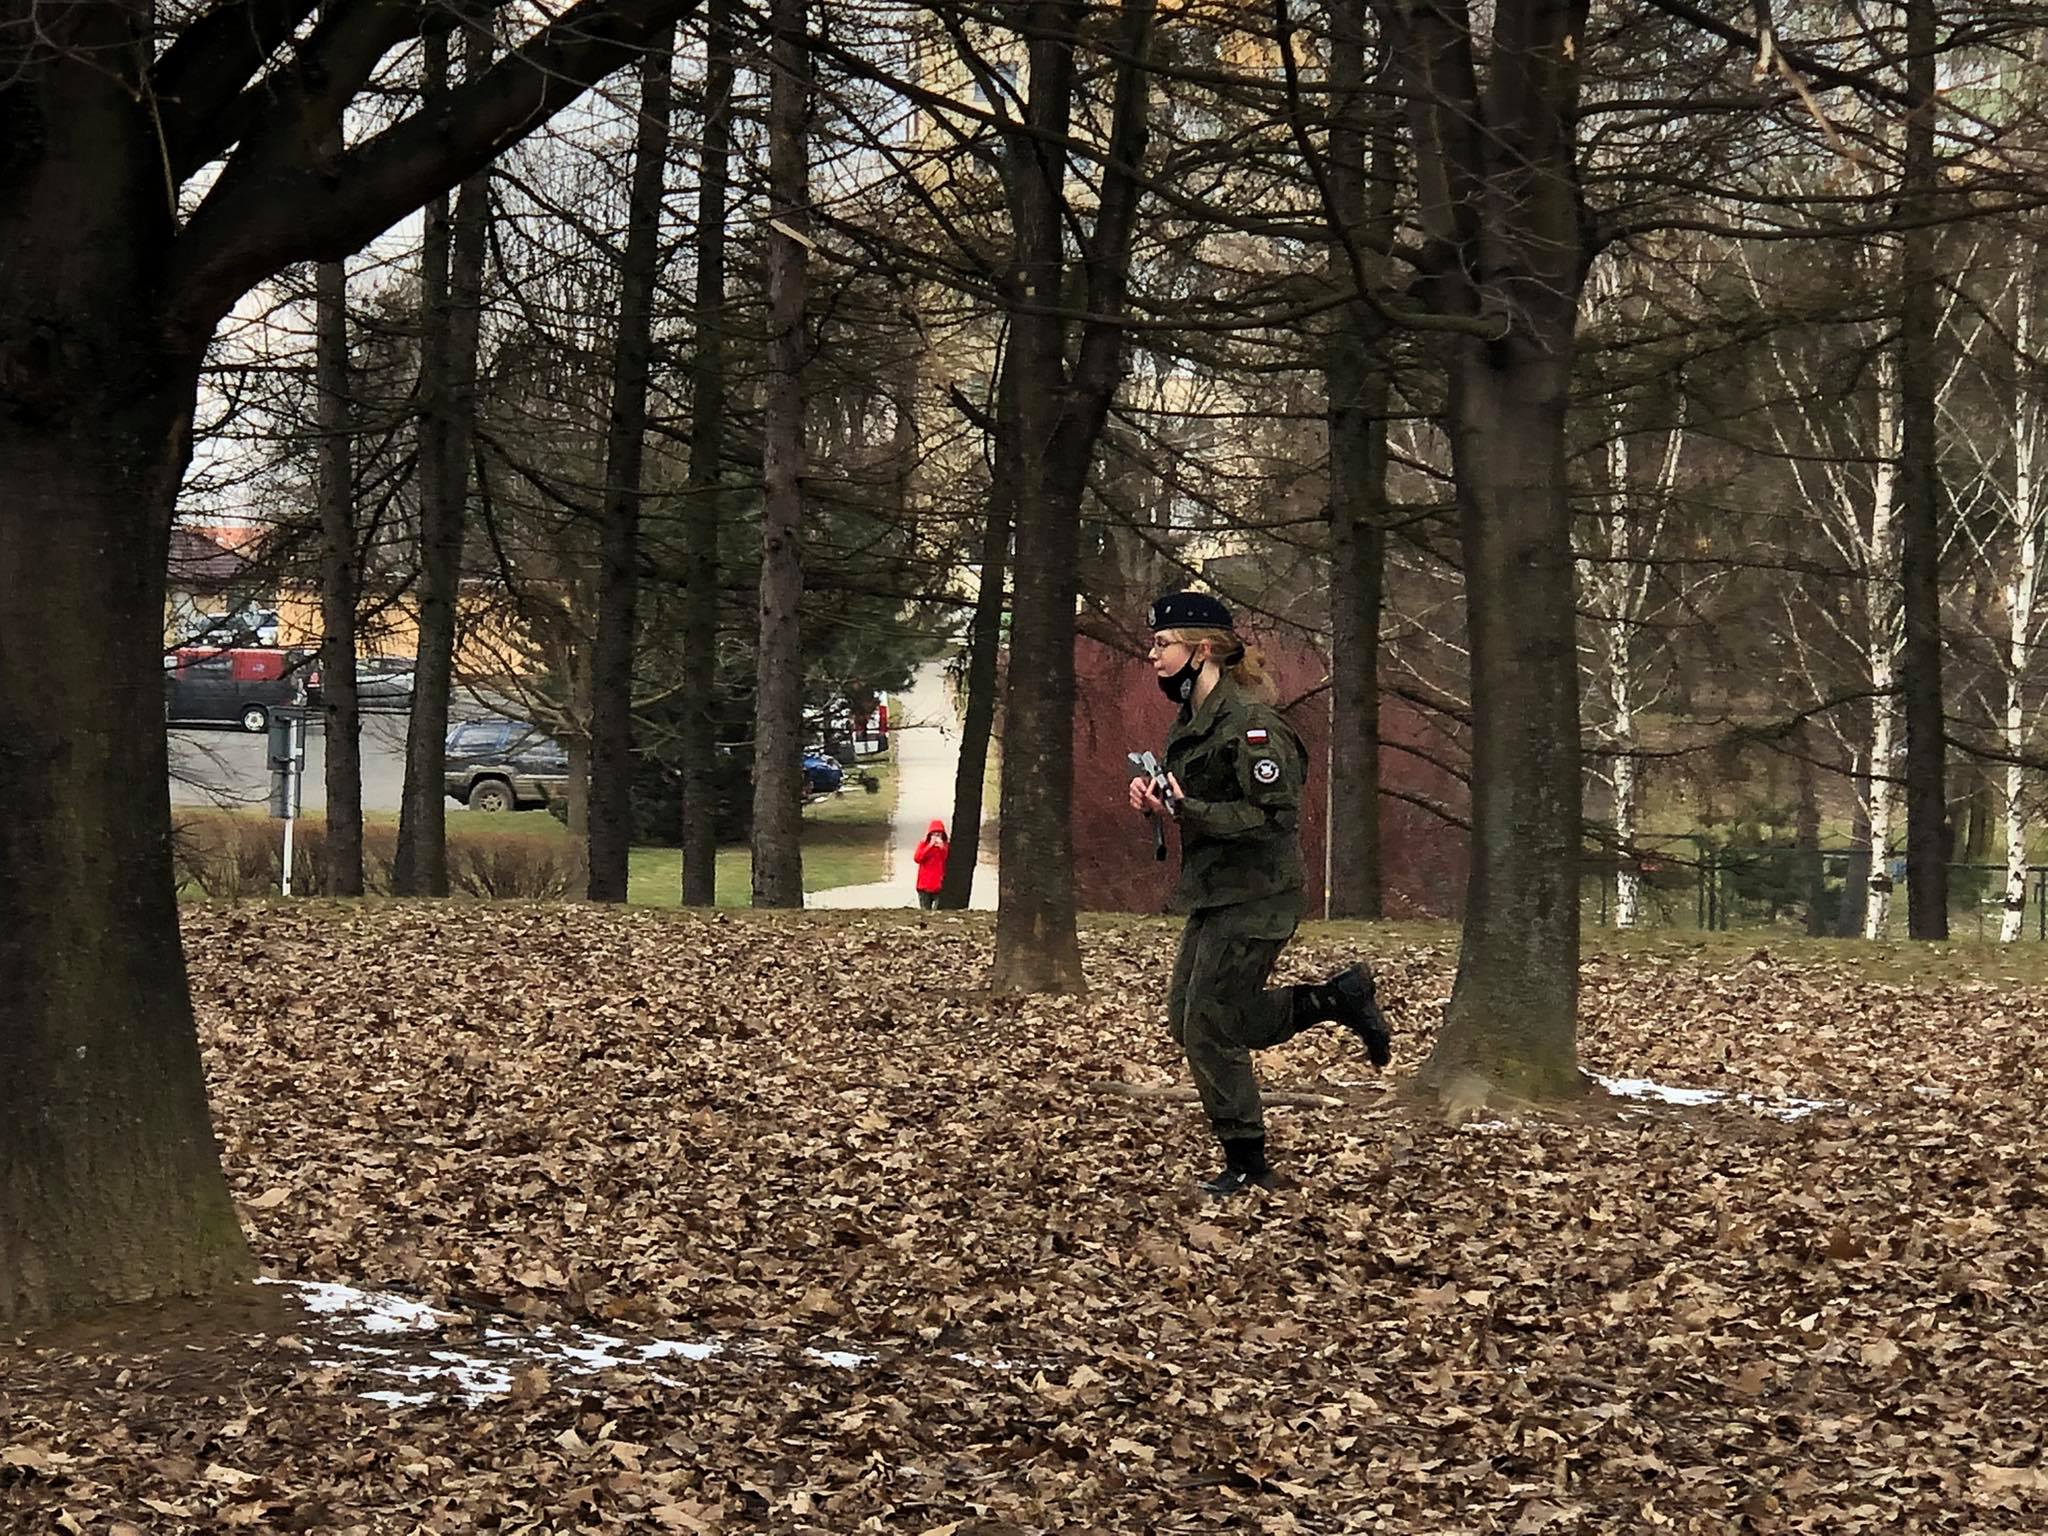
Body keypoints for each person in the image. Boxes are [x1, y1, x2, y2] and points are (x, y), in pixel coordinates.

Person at [1127, 590, 1392, 1196]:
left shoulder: (1252, 725)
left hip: (1259, 894)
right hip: (1215, 892)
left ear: (1202, 650)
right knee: (1189, 1020)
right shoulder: (1193, 720)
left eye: (1163, 644)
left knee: (1209, 1026)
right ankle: (1337, 998)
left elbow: (1273, 819)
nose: (1152, 655)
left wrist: (1188, 809)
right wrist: (1159, 802)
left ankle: (1248, 1162)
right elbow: (1199, 803)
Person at [913, 819, 949, 910]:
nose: (936, 837)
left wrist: (943, 849)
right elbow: (917, 858)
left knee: (938, 911)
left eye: (939, 834)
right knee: (925, 911)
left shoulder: (946, 846)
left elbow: (948, 861)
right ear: (930, 835)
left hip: (939, 886)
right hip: (924, 886)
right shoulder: (923, 844)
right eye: (934, 834)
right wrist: (929, 846)